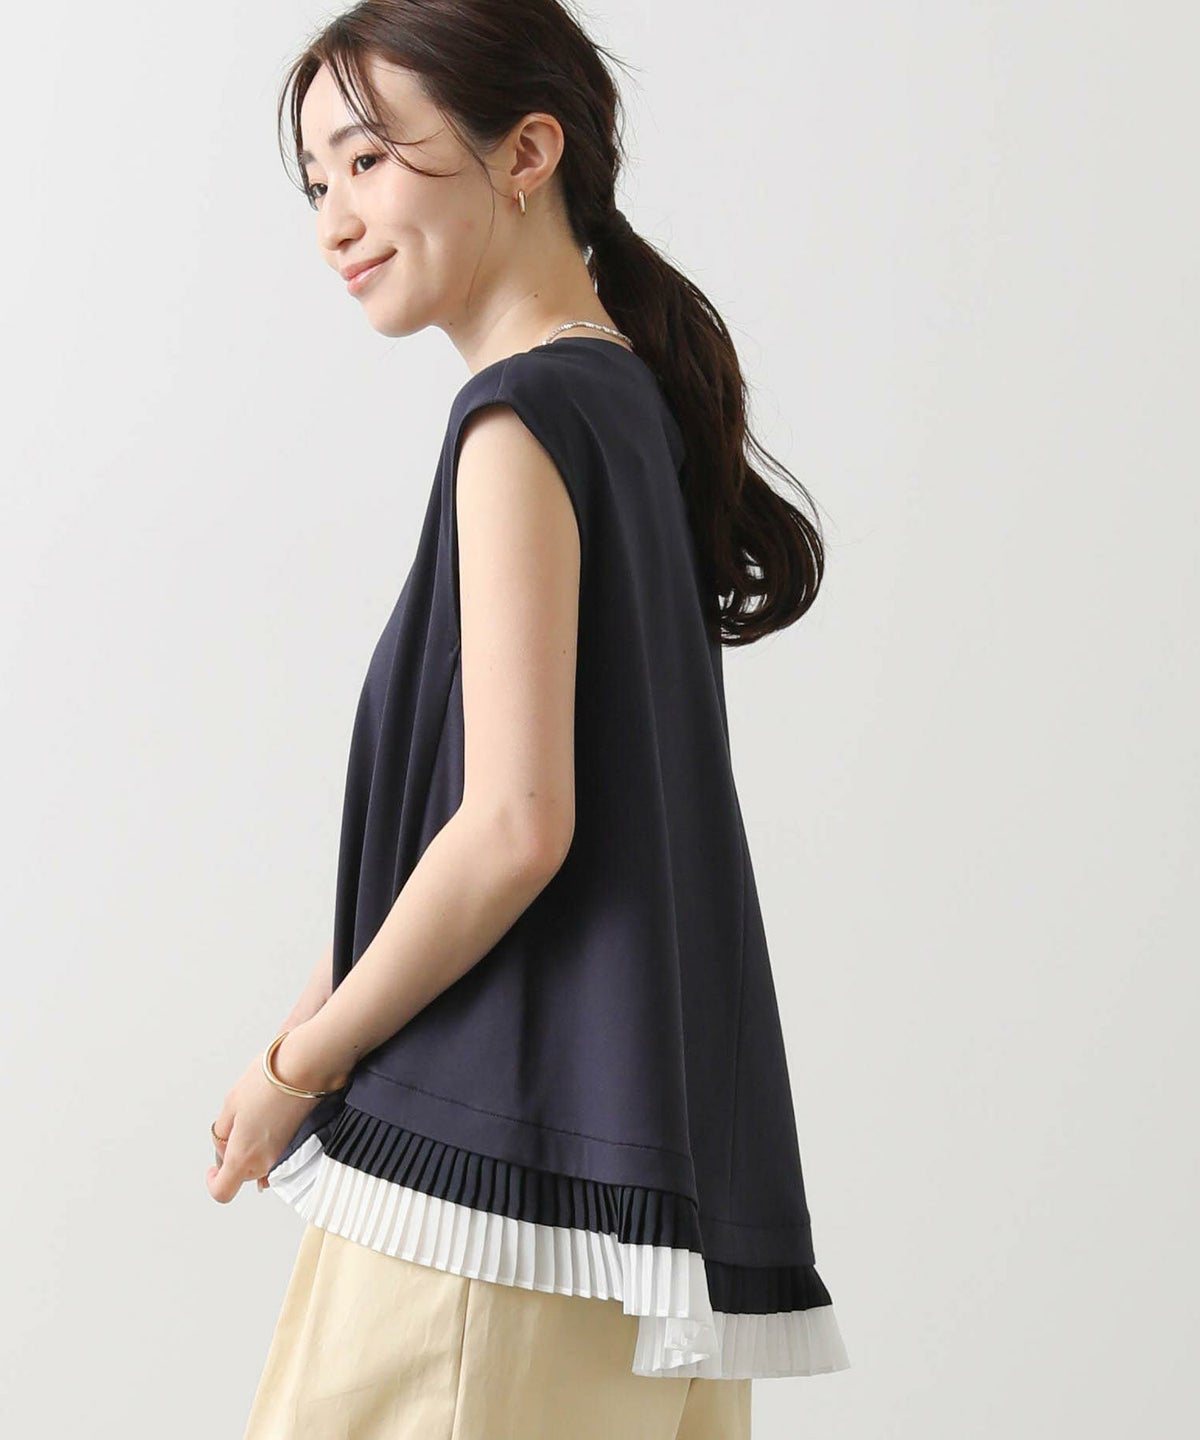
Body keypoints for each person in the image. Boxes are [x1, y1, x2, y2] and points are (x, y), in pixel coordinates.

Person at [209, 3, 850, 1436]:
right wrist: (303, 1027)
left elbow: (510, 826)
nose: (334, 219)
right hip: (641, 1194)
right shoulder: (625, 409)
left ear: (526, 152)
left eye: (369, 158)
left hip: (489, 1197)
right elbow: (469, 828)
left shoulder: (521, 422)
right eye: (315, 181)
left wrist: (294, 1066)